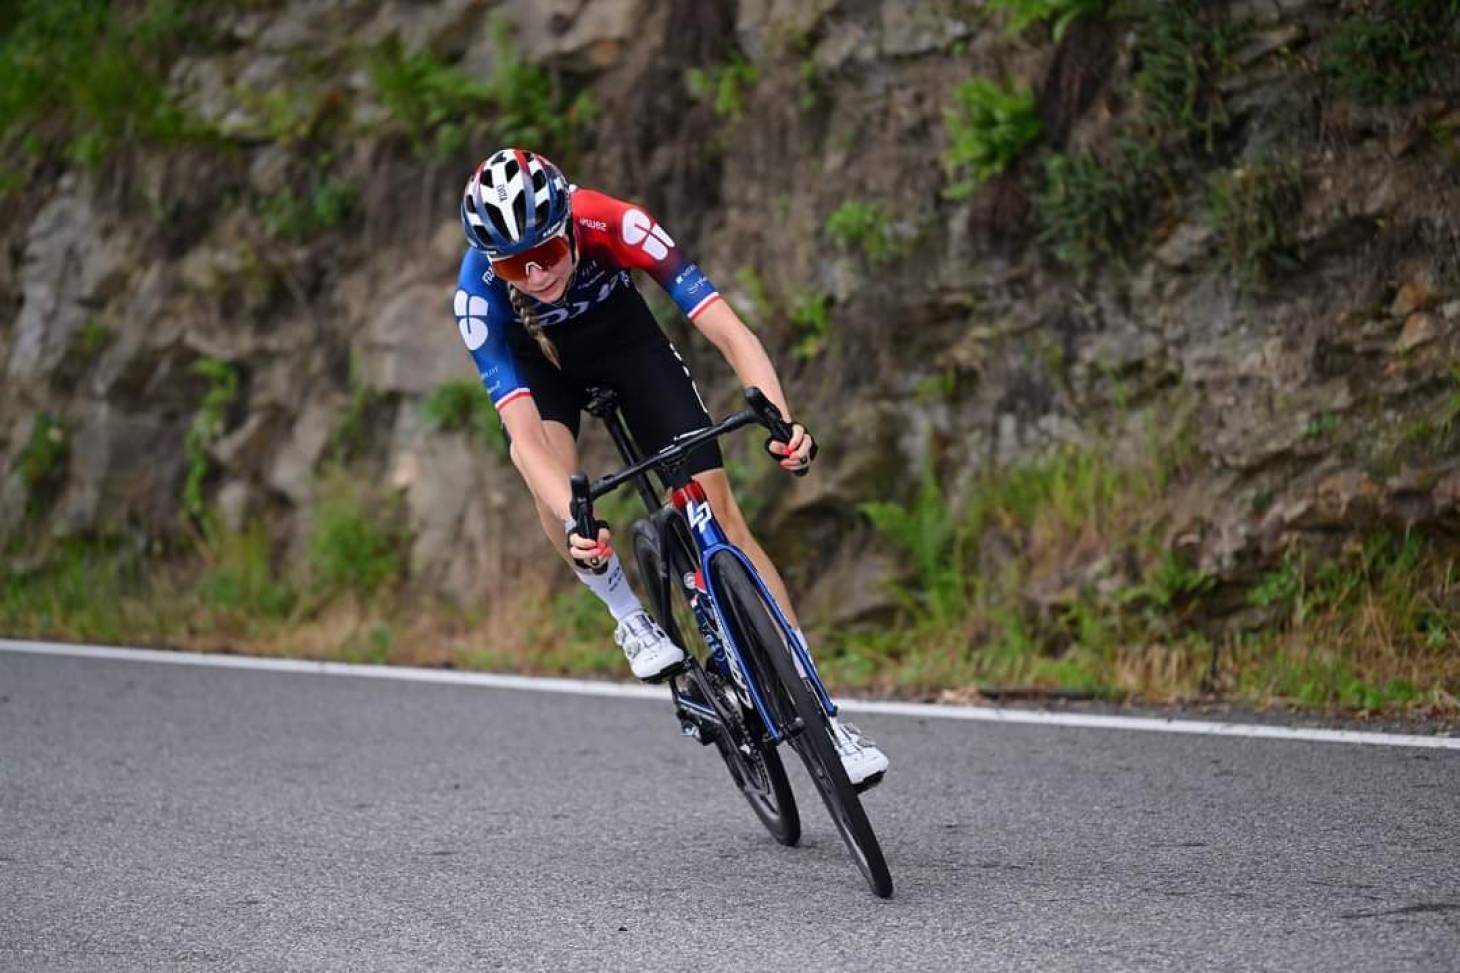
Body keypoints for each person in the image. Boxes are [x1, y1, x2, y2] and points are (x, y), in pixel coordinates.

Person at [452, 147, 887, 786]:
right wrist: (577, 520)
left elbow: (731, 333)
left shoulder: (613, 223)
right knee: (551, 480)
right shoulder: (477, 296)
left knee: (723, 516)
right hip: (541, 372)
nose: (537, 275)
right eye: (516, 265)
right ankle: (628, 614)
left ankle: (824, 719)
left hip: (625, 344)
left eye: (546, 252)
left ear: (568, 221)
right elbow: (522, 439)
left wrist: (783, 421)